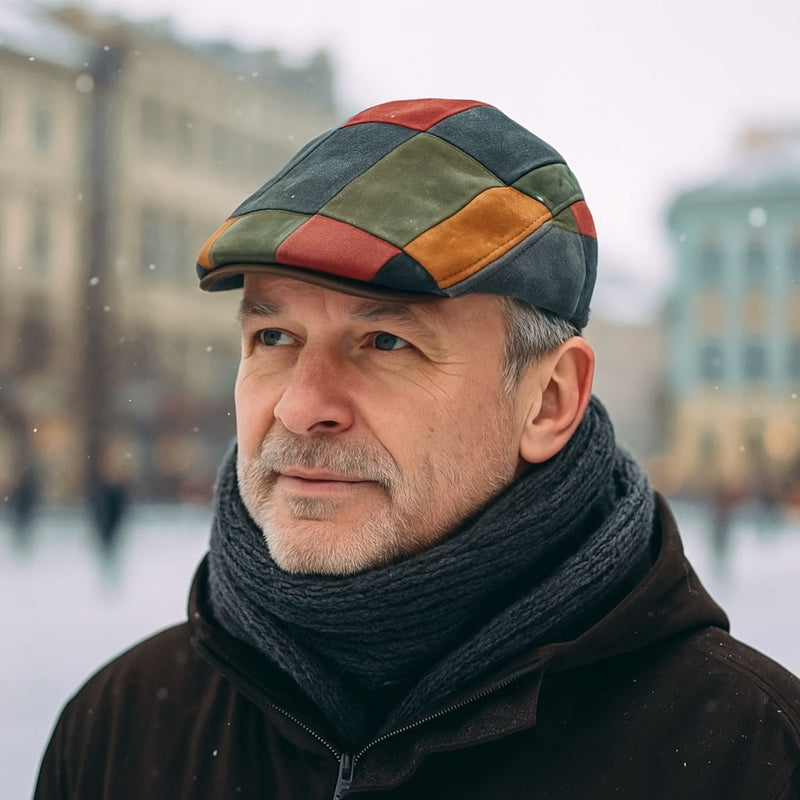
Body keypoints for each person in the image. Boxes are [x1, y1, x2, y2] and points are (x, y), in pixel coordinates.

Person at [34, 98, 800, 799]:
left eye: (385, 341)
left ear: (550, 400)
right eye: (272, 336)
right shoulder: (122, 727)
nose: (302, 407)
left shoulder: (749, 753)